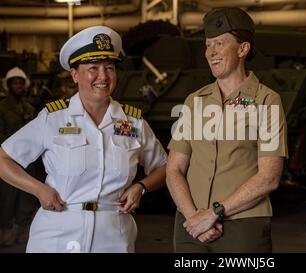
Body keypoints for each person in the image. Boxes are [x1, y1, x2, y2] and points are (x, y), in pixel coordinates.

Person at [0, 25, 167, 253]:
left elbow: (165, 166)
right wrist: (39, 190)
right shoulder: (53, 119)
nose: (103, 76)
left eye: (109, 68)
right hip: (57, 233)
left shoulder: (133, 122)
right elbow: (3, 159)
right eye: (93, 68)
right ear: (75, 74)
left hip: (113, 236)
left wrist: (141, 186)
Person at [166, 7, 288, 253]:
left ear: (243, 49)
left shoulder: (267, 101)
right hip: (190, 226)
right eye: (208, 45)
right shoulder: (194, 101)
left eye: (220, 43)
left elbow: (269, 177)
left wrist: (213, 214)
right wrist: (194, 218)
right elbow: (174, 168)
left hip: (242, 227)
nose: (211, 52)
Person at [0, 67, 38, 246]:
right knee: (7, 198)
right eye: (15, 82)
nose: (19, 86)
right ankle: (7, 230)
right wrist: (15, 148)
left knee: (27, 197)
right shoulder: (1, 107)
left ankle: (22, 228)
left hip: (28, 163)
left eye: (21, 83)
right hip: (7, 161)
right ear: (8, 85)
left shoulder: (30, 108)